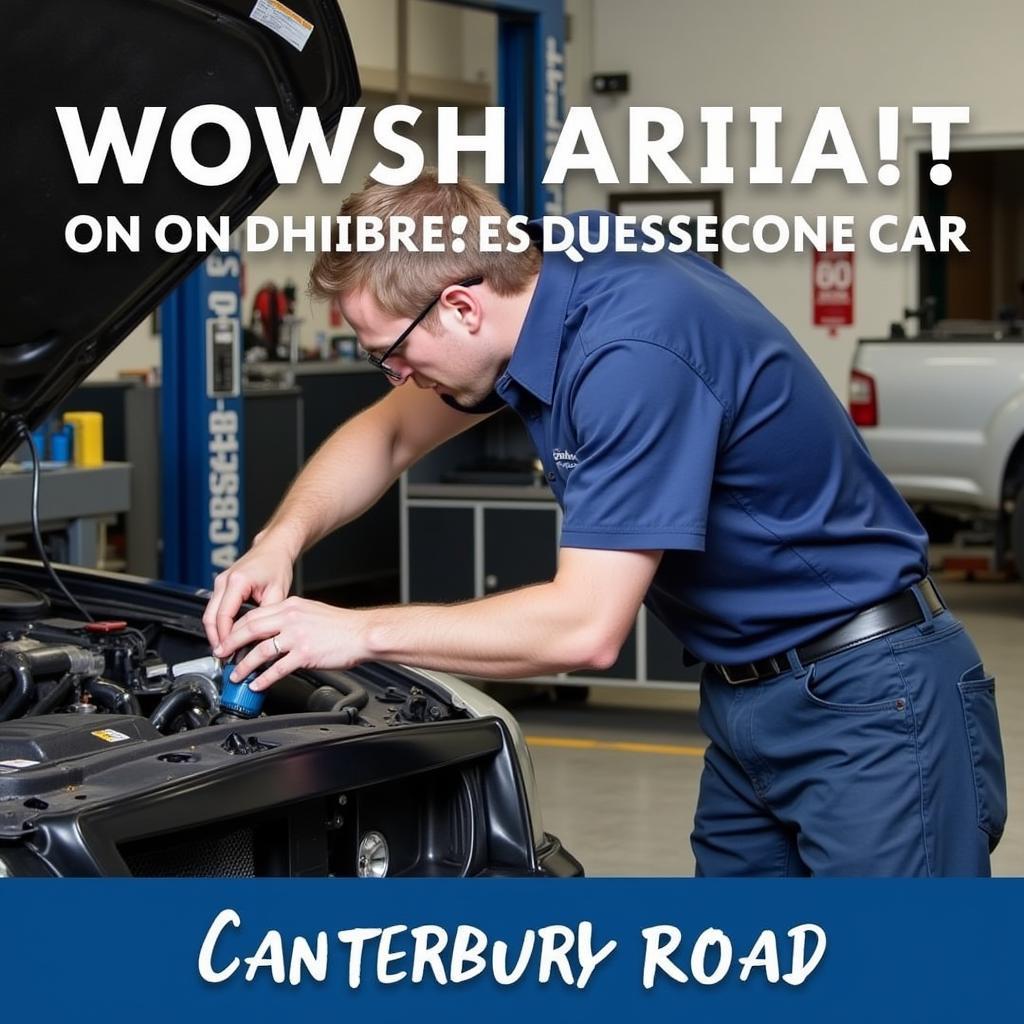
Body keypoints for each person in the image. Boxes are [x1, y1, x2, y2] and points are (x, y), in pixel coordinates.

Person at [205, 171, 1007, 877]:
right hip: (749, 701)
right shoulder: (542, 266)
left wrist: (354, 634)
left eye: (393, 354)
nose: (398, 376)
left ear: (459, 304)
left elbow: (584, 629)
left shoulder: (629, 352)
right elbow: (389, 432)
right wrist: (280, 541)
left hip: (870, 698)